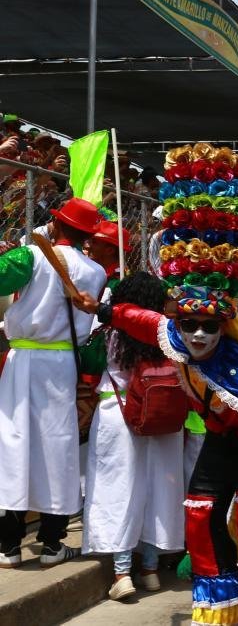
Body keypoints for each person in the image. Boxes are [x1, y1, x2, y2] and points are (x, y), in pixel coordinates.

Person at [76, 143, 238, 625]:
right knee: (199, 518)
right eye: (191, 323)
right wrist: (102, 310)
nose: (198, 334)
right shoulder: (175, 334)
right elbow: (142, 320)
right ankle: (219, 608)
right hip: (217, 445)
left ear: (224, 328)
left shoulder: (237, 364)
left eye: (209, 327)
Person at [0, 196, 106, 568]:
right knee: (56, 448)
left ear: (58, 225)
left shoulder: (30, 255)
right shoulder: (96, 272)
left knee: (13, 442)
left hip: (23, 360)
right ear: (87, 235)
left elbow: (0, 278)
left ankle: (9, 546)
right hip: (62, 363)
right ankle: (51, 543)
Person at [79, 272, 187, 600]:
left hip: (118, 415)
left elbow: (88, 364)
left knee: (117, 490)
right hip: (162, 417)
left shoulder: (109, 334)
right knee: (158, 490)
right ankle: (151, 569)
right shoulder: (169, 334)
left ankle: (122, 573)